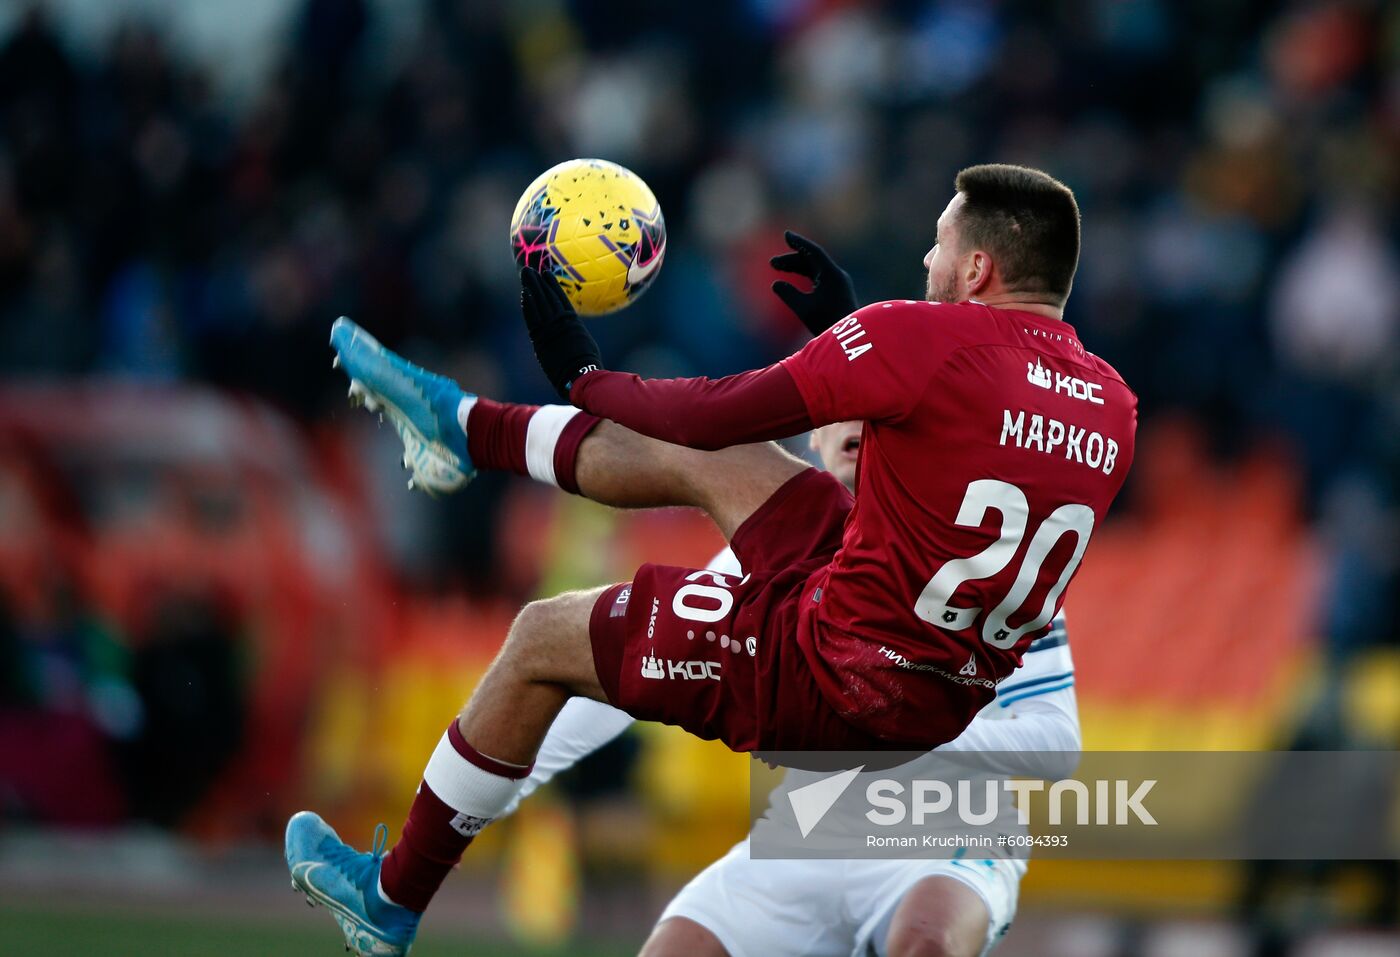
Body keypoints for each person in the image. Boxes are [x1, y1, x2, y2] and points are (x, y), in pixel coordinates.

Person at [287, 164, 1136, 955]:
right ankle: (465, 427)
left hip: (839, 687)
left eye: (942, 244)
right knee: (726, 470)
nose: (927, 255)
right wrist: (853, 340)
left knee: (546, 635)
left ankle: (390, 898)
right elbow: (967, 441)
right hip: (899, 672)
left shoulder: (921, 348)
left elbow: (713, 410)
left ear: (979, 267)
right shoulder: (1112, 407)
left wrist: (582, 373)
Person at [499, 420, 1079, 957]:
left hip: (948, 835)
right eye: (845, 404)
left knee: (926, 944)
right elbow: (631, 676)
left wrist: (914, 738)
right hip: (803, 834)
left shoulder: (993, 559)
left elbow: (1058, 744)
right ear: (814, 441)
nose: (860, 419)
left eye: (883, 408)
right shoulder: (763, 551)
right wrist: (498, 790)